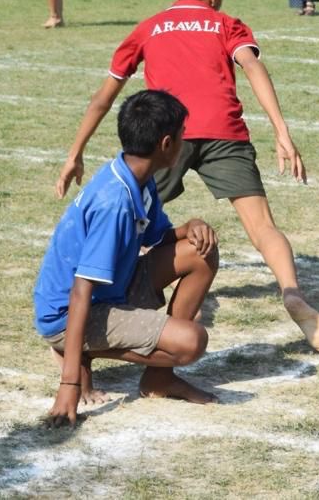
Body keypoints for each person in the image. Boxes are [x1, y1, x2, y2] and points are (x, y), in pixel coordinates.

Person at [55, 0, 319, 356]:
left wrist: (75, 152)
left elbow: (104, 96)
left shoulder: (149, 26)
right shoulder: (226, 24)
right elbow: (253, 68)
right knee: (262, 226)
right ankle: (292, 294)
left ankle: (112, 303)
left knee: (131, 226)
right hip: (223, 127)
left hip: (166, 136)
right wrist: (282, 131)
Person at [36, 90, 220, 428]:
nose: (185, 142)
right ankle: (75, 354)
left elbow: (155, 237)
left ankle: (159, 379)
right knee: (191, 341)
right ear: (166, 144)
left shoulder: (137, 177)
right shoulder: (114, 203)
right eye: (182, 135)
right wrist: (69, 385)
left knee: (200, 251)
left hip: (111, 291)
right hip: (70, 314)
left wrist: (189, 227)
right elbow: (81, 289)